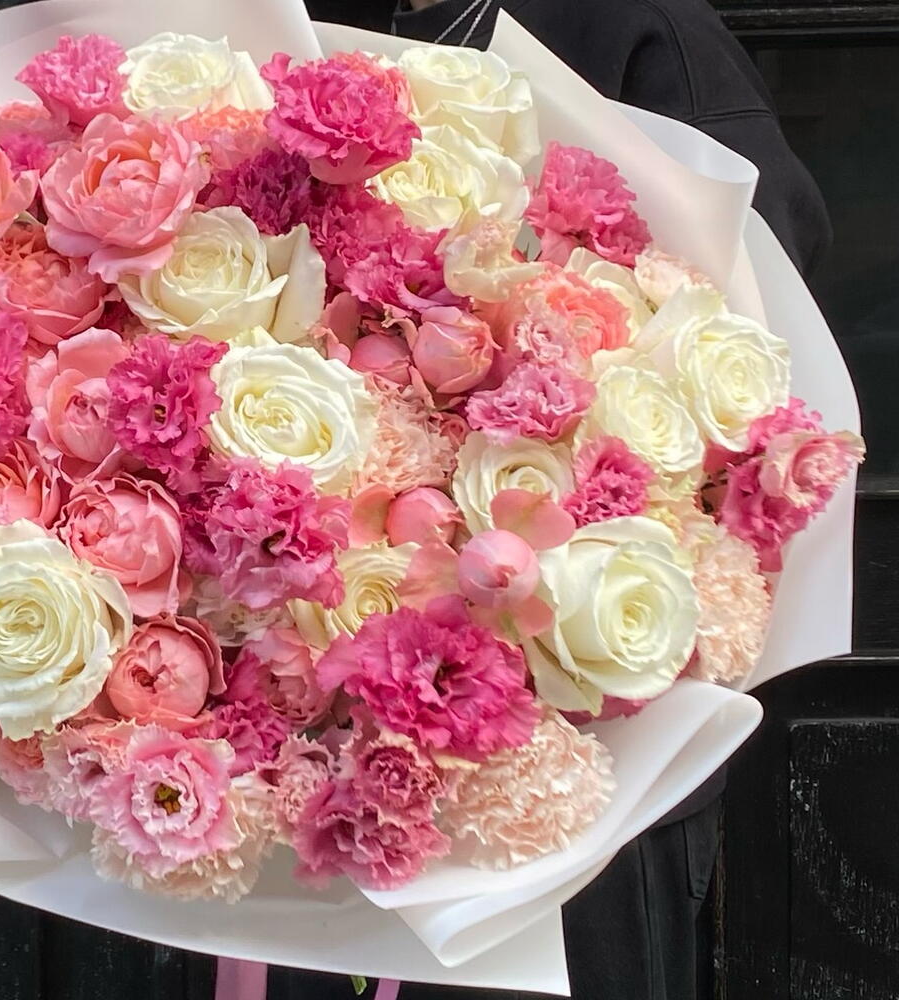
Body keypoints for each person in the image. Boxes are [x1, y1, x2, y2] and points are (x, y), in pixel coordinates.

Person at [277, 2, 833, 997]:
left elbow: (760, 338)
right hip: (304, 781)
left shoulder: (633, 33)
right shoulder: (275, 38)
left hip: (574, 794)